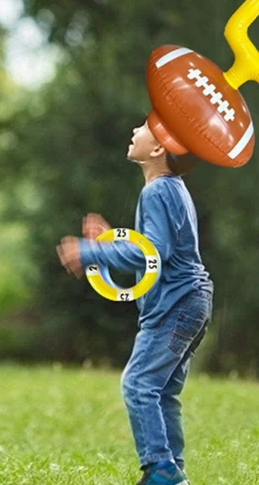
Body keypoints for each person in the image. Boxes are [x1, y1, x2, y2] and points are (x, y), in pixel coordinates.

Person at [56, 120, 212, 485]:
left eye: (144, 126)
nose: (135, 129)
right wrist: (109, 247)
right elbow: (150, 251)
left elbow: (151, 255)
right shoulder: (173, 189)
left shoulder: (157, 192)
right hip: (192, 300)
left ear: (158, 150)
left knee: (139, 384)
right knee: (162, 392)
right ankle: (174, 471)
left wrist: (91, 251)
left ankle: (160, 471)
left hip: (177, 303)